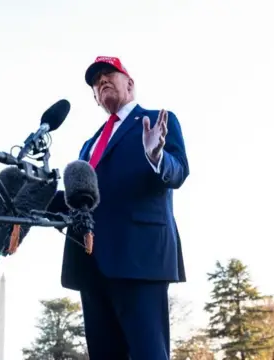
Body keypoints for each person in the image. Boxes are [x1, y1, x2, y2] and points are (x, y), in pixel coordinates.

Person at [48, 56, 189, 359]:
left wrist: (156, 157)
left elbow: (178, 172)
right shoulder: (89, 144)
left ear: (130, 83)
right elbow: (82, 201)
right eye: (97, 83)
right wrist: (40, 196)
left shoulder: (157, 120)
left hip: (139, 257)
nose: (102, 82)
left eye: (109, 74)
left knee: (147, 353)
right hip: (91, 263)